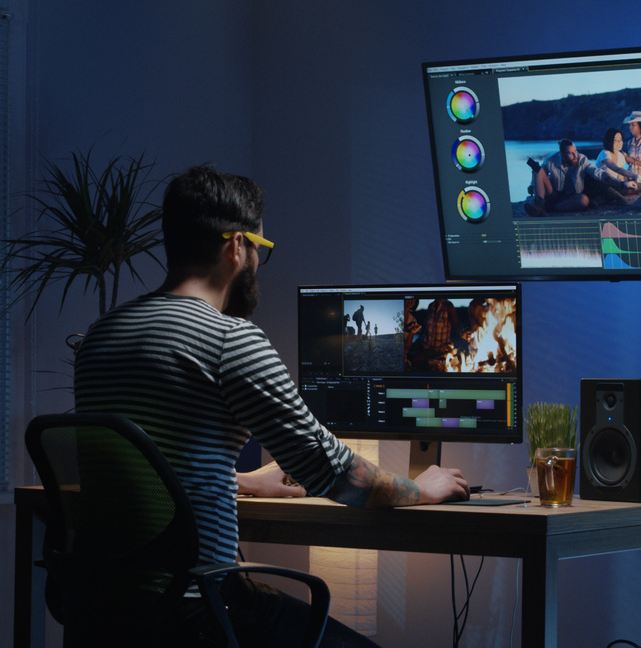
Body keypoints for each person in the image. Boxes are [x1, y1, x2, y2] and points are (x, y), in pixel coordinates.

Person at [73, 164, 468, 648]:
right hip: (199, 610)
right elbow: (334, 473)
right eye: (263, 250)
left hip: (105, 611)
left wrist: (240, 481)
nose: (259, 262)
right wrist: (420, 489)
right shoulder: (228, 339)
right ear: (236, 247)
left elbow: (141, 469)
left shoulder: (99, 337)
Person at [523, 139, 601, 217]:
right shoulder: (551, 159)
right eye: (571, 153)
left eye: (575, 151)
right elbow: (539, 173)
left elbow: (595, 171)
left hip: (571, 196)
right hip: (553, 193)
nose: (575, 155)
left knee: (584, 200)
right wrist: (532, 185)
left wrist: (609, 178)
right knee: (538, 169)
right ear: (562, 154)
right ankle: (538, 204)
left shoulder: (582, 160)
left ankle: (549, 208)